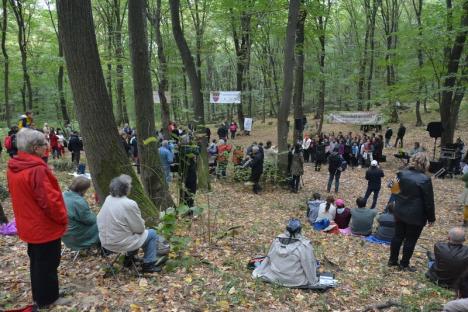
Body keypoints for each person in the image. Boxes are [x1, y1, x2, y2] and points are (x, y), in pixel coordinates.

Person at [7, 128, 69, 308]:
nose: (47, 146)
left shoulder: (15, 166)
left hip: (28, 224)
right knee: (48, 264)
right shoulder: (36, 170)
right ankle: (48, 300)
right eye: (44, 144)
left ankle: (42, 295)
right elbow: (50, 202)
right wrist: (63, 219)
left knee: (37, 263)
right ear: (35, 148)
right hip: (43, 227)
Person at [97, 175, 164, 273]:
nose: (131, 187)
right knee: (152, 233)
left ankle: (129, 259)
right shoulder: (129, 204)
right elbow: (140, 229)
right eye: (129, 185)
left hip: (105, 241)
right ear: (125, 189)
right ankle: (149, 264)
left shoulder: (108, 199)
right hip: (119, 243)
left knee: (130, 232)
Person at [389, 152, 435, 271]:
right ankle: (403, 264)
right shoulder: (425, 179)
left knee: (398, 236)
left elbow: (393, 189)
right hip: (416, 215)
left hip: (400, 211)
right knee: (410, 239)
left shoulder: (401, 173)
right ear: (425, 163)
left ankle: (392, 260)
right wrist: (431, 218)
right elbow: (429, 201)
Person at [252, 219, 319, 288]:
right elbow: (308, 265)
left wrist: (260, 270)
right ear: (300, 230)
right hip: (295, 281)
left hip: (274, 277)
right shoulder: (304, 246)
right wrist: (313, 281)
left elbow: (269, 258)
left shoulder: (277, 241)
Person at [62, 176, 100, 251]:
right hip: (76, 236)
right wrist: (97, 216)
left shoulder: (62, 195)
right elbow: (89, 220)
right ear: (83, 190)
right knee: (103, 223)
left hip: (64, 234)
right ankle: (105, 248)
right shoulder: (79, 201)